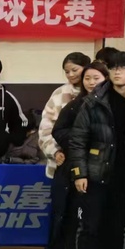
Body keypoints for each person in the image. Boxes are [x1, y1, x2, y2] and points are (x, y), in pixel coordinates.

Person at [68, 51, 125, 249]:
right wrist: (80, 173)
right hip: (96, 173)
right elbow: (78, 140)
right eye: (113, 67)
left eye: (123, 68)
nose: (117, 72)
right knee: (90, 227)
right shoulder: (93, 101)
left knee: (118, 228)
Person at [50, 62, 110, 249]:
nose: (91, 82)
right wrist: (82, 140)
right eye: (87, 78)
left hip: (106, 168)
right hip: (77, 166)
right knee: (72, 213)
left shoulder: (113, 104)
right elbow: (58, 131)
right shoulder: (76, 104)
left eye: (96, 78)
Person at [38, 52, 89, 180]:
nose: (70, 74)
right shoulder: (59, 93)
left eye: (74, 70)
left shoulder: (99, 94)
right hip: (62, 160)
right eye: (67, 72)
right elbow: (45, 128)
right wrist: (54, 151)